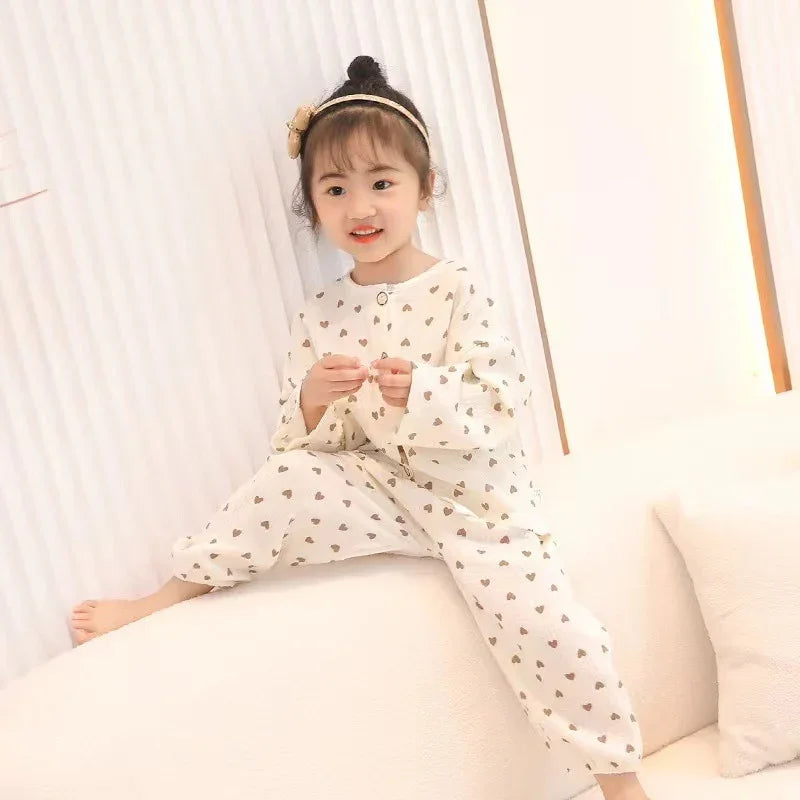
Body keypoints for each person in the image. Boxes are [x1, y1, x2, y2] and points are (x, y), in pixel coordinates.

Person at [70, 55, 650, 800]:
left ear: (423, 188)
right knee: (286, 479)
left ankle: (622, 786)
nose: (360, 206)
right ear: (313, 206)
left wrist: (424, 392)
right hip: (383, 493)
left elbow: (502, 403)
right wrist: (315, 400)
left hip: (479, 505)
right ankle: (166, 594)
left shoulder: (456, 289)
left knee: (549, 626)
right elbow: (300, 447)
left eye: (381, 182)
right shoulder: (321, 311)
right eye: (335, 189)